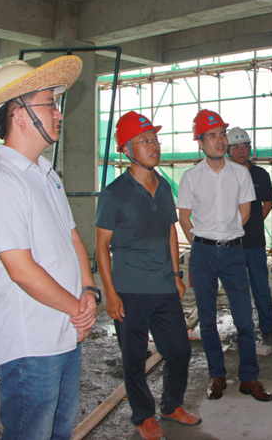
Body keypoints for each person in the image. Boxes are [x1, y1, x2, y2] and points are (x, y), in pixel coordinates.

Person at [0, 56, 99, 440]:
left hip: (64, 332)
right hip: (30, 347)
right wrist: (78, 310)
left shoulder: (45, 175)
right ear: (20, 115)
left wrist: (89, 290)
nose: (58, 114)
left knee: (59, 433)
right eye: (49, 105)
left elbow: (73, 238)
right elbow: (21, 270)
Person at [95, 111, 200, 440]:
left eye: (155, 139)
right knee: (134, 358)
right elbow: (101, 246)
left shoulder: (164, 187)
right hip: (130, 289)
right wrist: (110, 294)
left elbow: (170, 231)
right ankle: (143, 416)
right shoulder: (113, 193)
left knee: (179, 349)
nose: (153, 146)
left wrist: (176, 273)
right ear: (126, 149)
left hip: (163, 284)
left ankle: (171, 405)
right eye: (144, 141)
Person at [178, 109, 272, 403]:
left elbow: (245, 212)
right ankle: (217, 375)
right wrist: (201, 241)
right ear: (200, 142)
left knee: (244, 317)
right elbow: (184, 217)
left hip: (234, 252)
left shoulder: (240, 173)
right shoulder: (191, 177)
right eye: (212, 136)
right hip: (203, 254)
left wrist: (227, 233)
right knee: (207, 318)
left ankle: (249, 378)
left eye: (222, 134)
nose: (220, 140)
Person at [227, 127, 272, 345]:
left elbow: (268, 202)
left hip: (255, 242)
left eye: (245, 146)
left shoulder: (260, 174)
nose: (241, 150)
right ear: (229, 150)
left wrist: (255, 221)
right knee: (237, 289)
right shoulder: (223, 175)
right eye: (236, 147)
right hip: (231, 243)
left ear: (250, 149)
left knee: (261, 287)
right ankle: (244, 330)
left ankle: (269, 329)